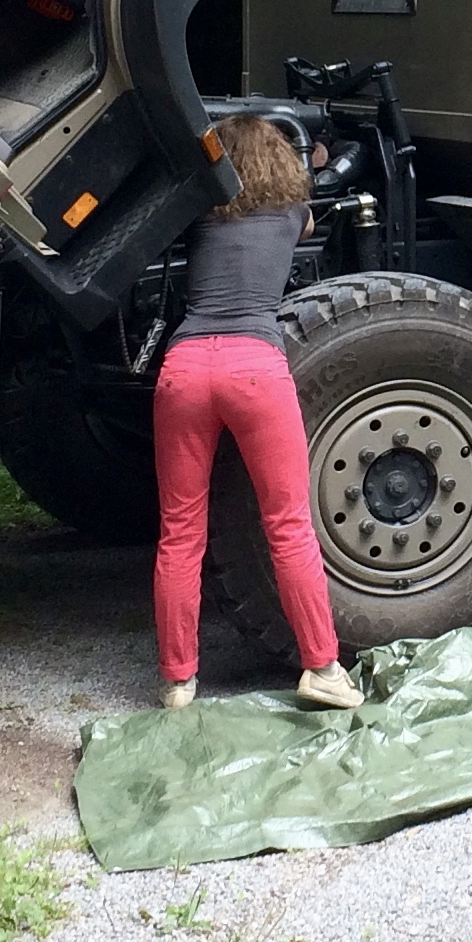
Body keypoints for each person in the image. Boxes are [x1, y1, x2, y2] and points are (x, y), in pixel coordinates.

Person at [150, 113, 362, 711]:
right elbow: (311, 209)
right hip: (254, 368)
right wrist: (314, 164)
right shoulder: (293, 215)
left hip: (184, 370)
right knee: (289, 526)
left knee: (180, 532)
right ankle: (321, 668)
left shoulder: (198, 217)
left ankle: (177, 682)